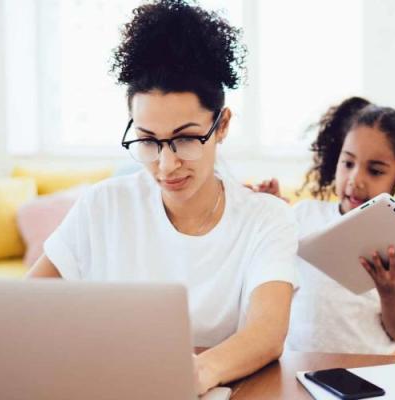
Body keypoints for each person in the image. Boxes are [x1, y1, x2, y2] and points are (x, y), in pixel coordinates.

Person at [26, 1, 297, 394]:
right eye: (148, 141)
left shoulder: (266, 218)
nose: (166, 165)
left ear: (221, 126)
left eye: (186, 138)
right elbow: (24, 306)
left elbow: (267, 332)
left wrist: (199, 372)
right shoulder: (103, 205)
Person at [252, 96, 395, 355]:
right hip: (300, 364)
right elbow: (262, 263)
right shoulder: (303, 215)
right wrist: (271, 210)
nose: (355, 179)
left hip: (373, 370)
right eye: (348, 163)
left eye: (375, 171)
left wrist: (391, 297)